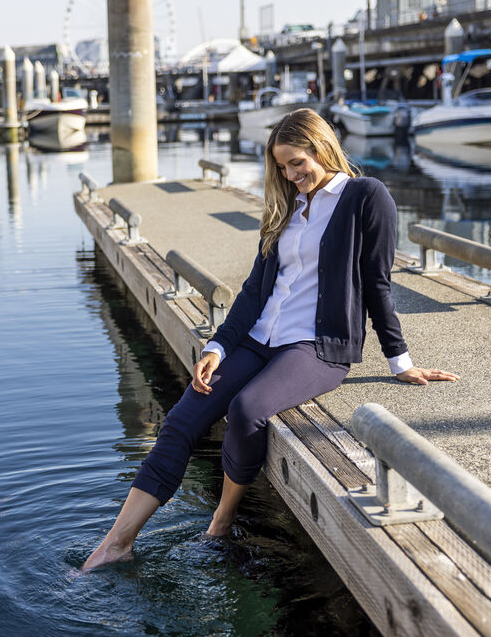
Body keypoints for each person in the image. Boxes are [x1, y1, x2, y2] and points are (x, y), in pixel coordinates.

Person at [82, 108, 459, 571]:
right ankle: (116, 542)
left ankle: (220, 520)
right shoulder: (286, 206)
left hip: (316, 347)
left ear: (323, 148)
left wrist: (400, 361)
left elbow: (378, 282)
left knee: (247, 409)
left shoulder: (366, 196)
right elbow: (255, 291)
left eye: (298, 162)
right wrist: (217, 347)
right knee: (182, 420)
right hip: (258, 339)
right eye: (282, 166)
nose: (290, 174)